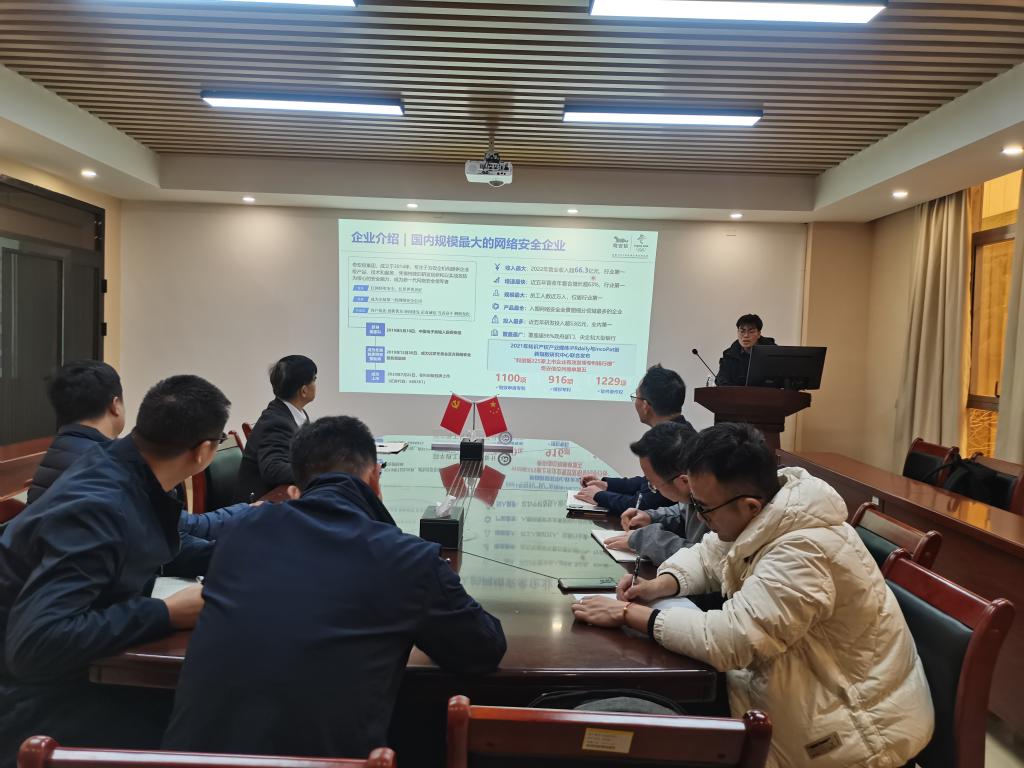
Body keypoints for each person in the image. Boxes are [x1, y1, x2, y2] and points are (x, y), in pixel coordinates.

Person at [571, 423, 933, 768]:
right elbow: (710, 554)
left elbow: (732, 640)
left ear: (749, 507)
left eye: (703, 508)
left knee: (630, 735)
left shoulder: (804, 550)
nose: (699, 517)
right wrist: (659, 584)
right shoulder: (772, 517)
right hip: (801, 703)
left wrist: (629, 614)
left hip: (853, 737)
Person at [164, 415, 507, 759]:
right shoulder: (406, 559)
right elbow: (482, 649)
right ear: (375, 477)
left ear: (297, 486)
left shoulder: (240, 534)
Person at [0, 375, 232, 767]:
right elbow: (36, 644)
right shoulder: (99, 504)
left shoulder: (126, 469)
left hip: (67, 673)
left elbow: (154, 544)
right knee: (211, 721)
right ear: (204, 451)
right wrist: (165, 613)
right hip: (29, 702)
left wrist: (243, 555)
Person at [25, 361, 254, 569]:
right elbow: (168, 537)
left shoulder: (73, 452)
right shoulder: (102, 467)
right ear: (116, 405)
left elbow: (171, 530)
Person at [575, 364, 695, 515]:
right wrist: (607, 485)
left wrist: (599, 496)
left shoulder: (674, 444)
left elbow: (644, 504)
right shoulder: (680, 433)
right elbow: (647, 483)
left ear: (645, 405)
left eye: (636, 397)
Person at [599, 421, 708, 566]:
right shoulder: (694, 495)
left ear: (683, 481)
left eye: (653, 484)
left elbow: (706, 561)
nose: (653, 488)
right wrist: (651, 517)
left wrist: (647, 539)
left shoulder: (717, 507)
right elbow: (682, 513)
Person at [234, 354, 317, 502]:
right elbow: (273, 469)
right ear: (303, 391)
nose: (316, 384)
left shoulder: (296, 413)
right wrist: (318, 470)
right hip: (259, 504)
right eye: (314, 379)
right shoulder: (276, 422)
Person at [715, 314, 776, 386]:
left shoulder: (774, 353)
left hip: (766, 392)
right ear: (737, 332)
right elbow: (721, 379)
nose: (746, 335)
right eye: (742, 331)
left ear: (759, 334)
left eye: (751, 332)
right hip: (737, 393)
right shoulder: (729, 355)